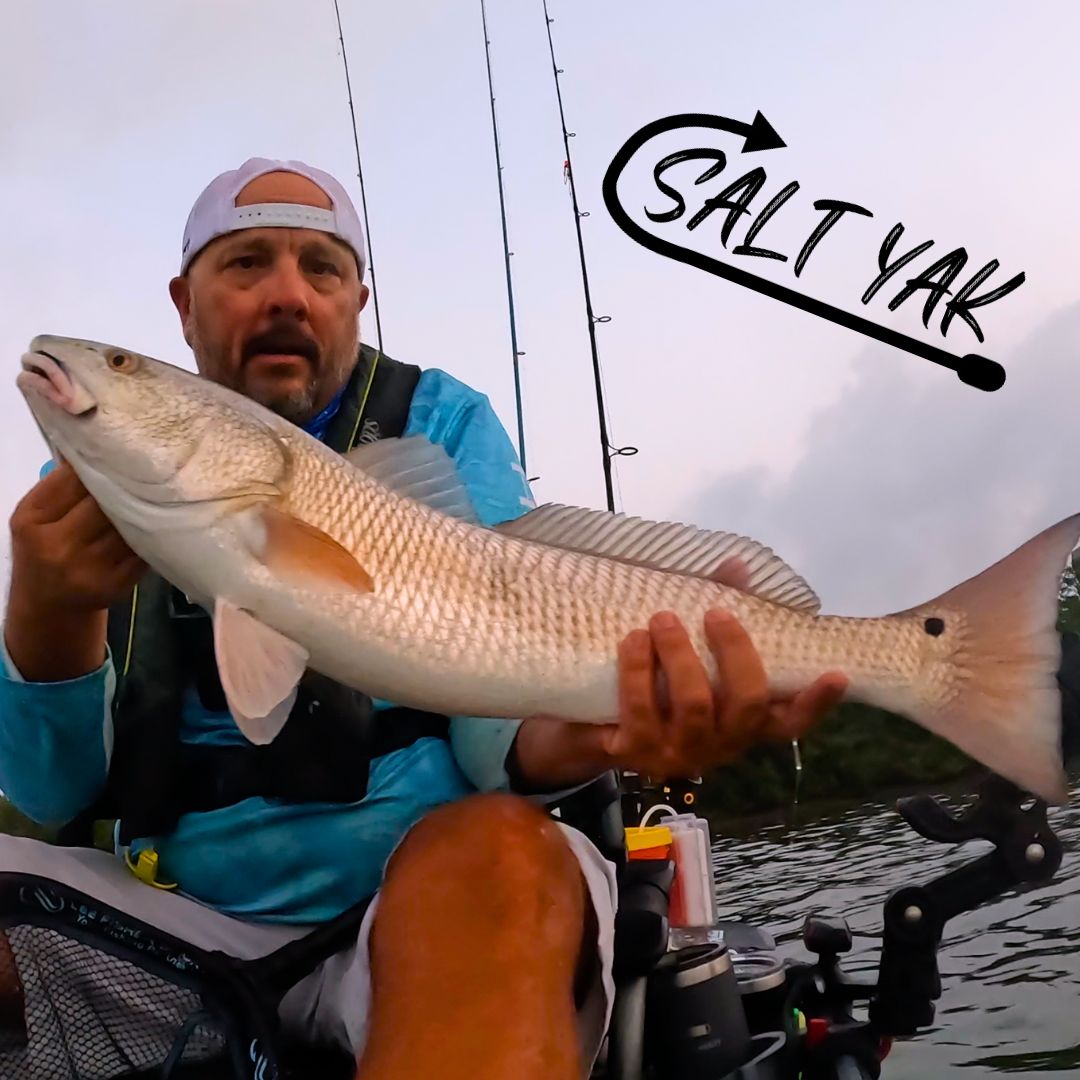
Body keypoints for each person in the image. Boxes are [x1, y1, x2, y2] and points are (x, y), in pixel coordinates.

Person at [0, 158, 847, 1079]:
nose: (287, 292)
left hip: (422, 907)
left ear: (357, 298)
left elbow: (498, 702)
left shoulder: (440, 422)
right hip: (166, 928)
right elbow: (52, 796)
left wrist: (586, 737)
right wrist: (47, 607)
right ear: (184, 301)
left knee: (502, 862)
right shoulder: (85, 492)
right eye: (245, 263)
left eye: (322, 268)